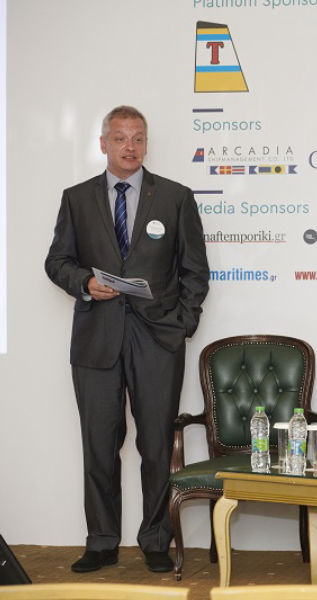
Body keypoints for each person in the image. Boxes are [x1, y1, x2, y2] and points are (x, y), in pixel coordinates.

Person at [45, 105, 210, 574]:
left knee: (156, 445)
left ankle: (156, 540)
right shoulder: (77, 199)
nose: (130, 146)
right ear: (103, 143)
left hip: (158, 339)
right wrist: (83, 282)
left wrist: (181, 324)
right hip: (96, 339)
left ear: (146, 143)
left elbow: (195, 271)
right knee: (99, 445)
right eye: (120, 138)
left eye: (138, 138)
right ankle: (101, 542)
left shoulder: (175, 197)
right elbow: (57, 261)